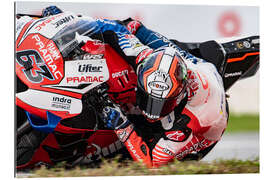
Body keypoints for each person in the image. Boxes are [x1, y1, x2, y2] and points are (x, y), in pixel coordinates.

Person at [38, 6, 228, 168]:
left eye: (160, 104)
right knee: (132, 26)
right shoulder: (145, 57)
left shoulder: (188, 124)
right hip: (194, 67)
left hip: (206, 127)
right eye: (149, 100)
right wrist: (65, 23)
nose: (151, 111)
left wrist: (123, 126)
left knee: (128, 158)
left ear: (177, 98)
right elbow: (108, 27)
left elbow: (151, 164)